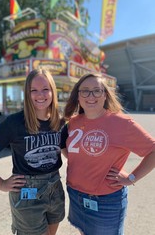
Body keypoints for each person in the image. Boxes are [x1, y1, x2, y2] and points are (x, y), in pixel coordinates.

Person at [61, 73, 155, 235]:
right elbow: (69, 150)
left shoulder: (122, 124)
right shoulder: (73, 122)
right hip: (76, 195)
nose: (91, 96)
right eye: (85, 91)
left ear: (105, 95)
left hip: (105, 202)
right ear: (78, 96)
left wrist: (131, 178)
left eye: (96, 90)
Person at [0, 69, 65, 235]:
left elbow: (68, 152)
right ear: (27, 93)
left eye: (45, 89)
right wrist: (1, 184)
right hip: (28, 194)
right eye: (34, 90)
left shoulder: (59, 122)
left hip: (55, 188)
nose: (40, 94)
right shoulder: (15, 122)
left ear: (53, 91)